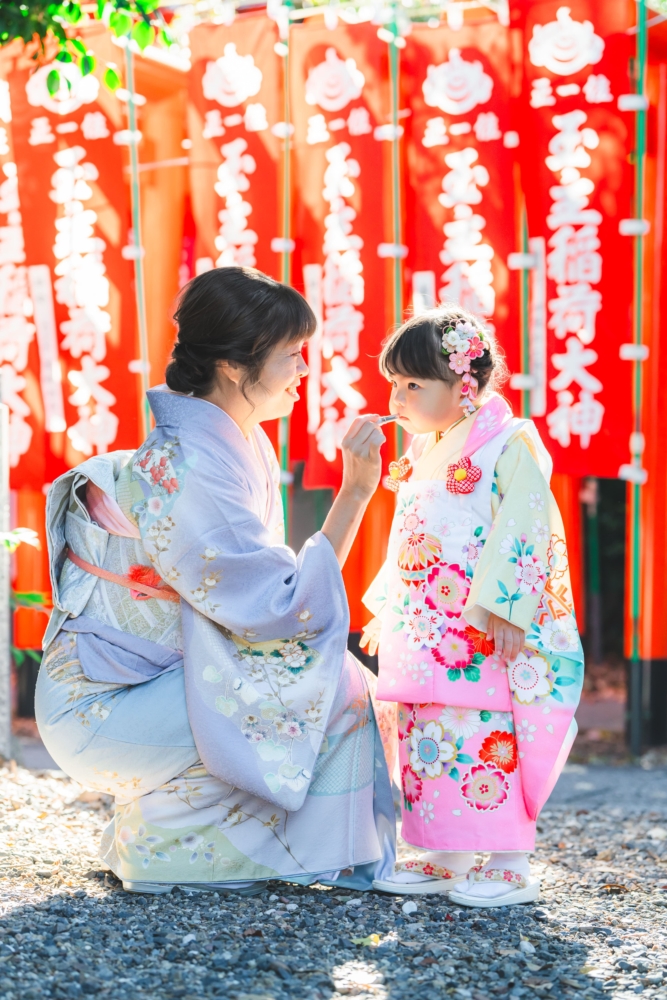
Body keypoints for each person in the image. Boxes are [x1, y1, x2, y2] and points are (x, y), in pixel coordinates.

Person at [36, 266, 395, 895]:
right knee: (333, 684)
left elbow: (269, 597)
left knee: (328, 683)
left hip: (146, 687)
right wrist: (357, 491)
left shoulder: (235, 444)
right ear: (235, 367)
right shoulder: (189, 466)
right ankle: (175, 852)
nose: (303, 370)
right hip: (104, 708)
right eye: (292, 355)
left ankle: (167, 836)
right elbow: (281, 607)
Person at [360, 306, 584, 906]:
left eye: (413, 384)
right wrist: (388, 607)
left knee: (489, 733)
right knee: (429, 732)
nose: (398, 397)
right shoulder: (431, 447)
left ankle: (510, 857)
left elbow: (528, 524)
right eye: (395, 384)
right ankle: (446, 852)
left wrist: (511, 609)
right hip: (428, 625)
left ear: (467, 385)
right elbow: (411, 537)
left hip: (479, 627)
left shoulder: (508, 442)